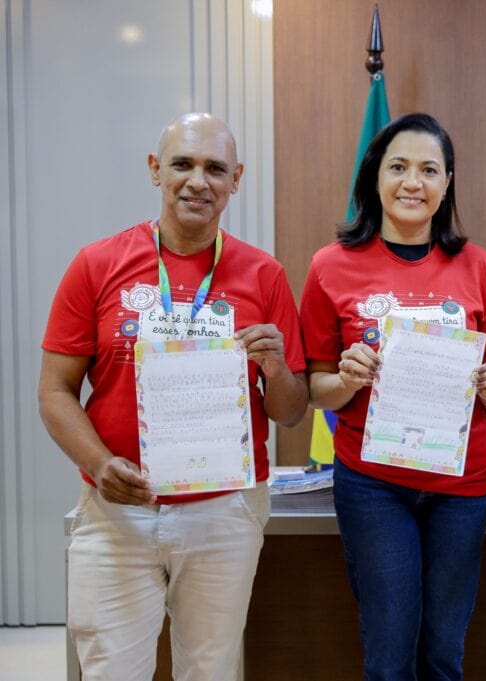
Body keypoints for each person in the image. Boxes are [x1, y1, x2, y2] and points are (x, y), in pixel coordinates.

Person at [38, 113, 309, 680]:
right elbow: (56, 392)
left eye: (214, 169)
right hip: (118, 510)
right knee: (112, 671)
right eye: (182, 164)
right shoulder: (97, 264)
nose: (197, 181)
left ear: (236, 179)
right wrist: (97, 463)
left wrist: (276, 366)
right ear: (155, 169)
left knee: (210, 670)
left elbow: (289, 412)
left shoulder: (265, 275)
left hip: (224, 512)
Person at [299, 112, 486, 681]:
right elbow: (314, 389)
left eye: (428, 169)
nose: (412, 182)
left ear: (447, 184)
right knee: (389, 656)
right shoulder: (329, 267)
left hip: (461, 486)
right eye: (398, 167)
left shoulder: (479, 266)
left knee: (445, 653)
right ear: (375, 177)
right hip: (374, 486)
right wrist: (346, 379)